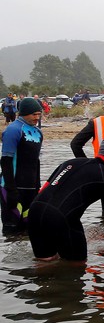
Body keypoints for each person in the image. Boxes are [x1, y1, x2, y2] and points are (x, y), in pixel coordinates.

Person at [1, 97, 43, 234]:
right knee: (11, 229)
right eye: (34, 114)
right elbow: (6, 161)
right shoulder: (13, 130)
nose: (37, 117)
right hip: (13, 187)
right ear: (24, 113)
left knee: (28, 229)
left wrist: (37, 186)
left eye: (39, 114)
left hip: (30, 188)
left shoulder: (38, 132)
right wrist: (11, 190)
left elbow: (35, 161)